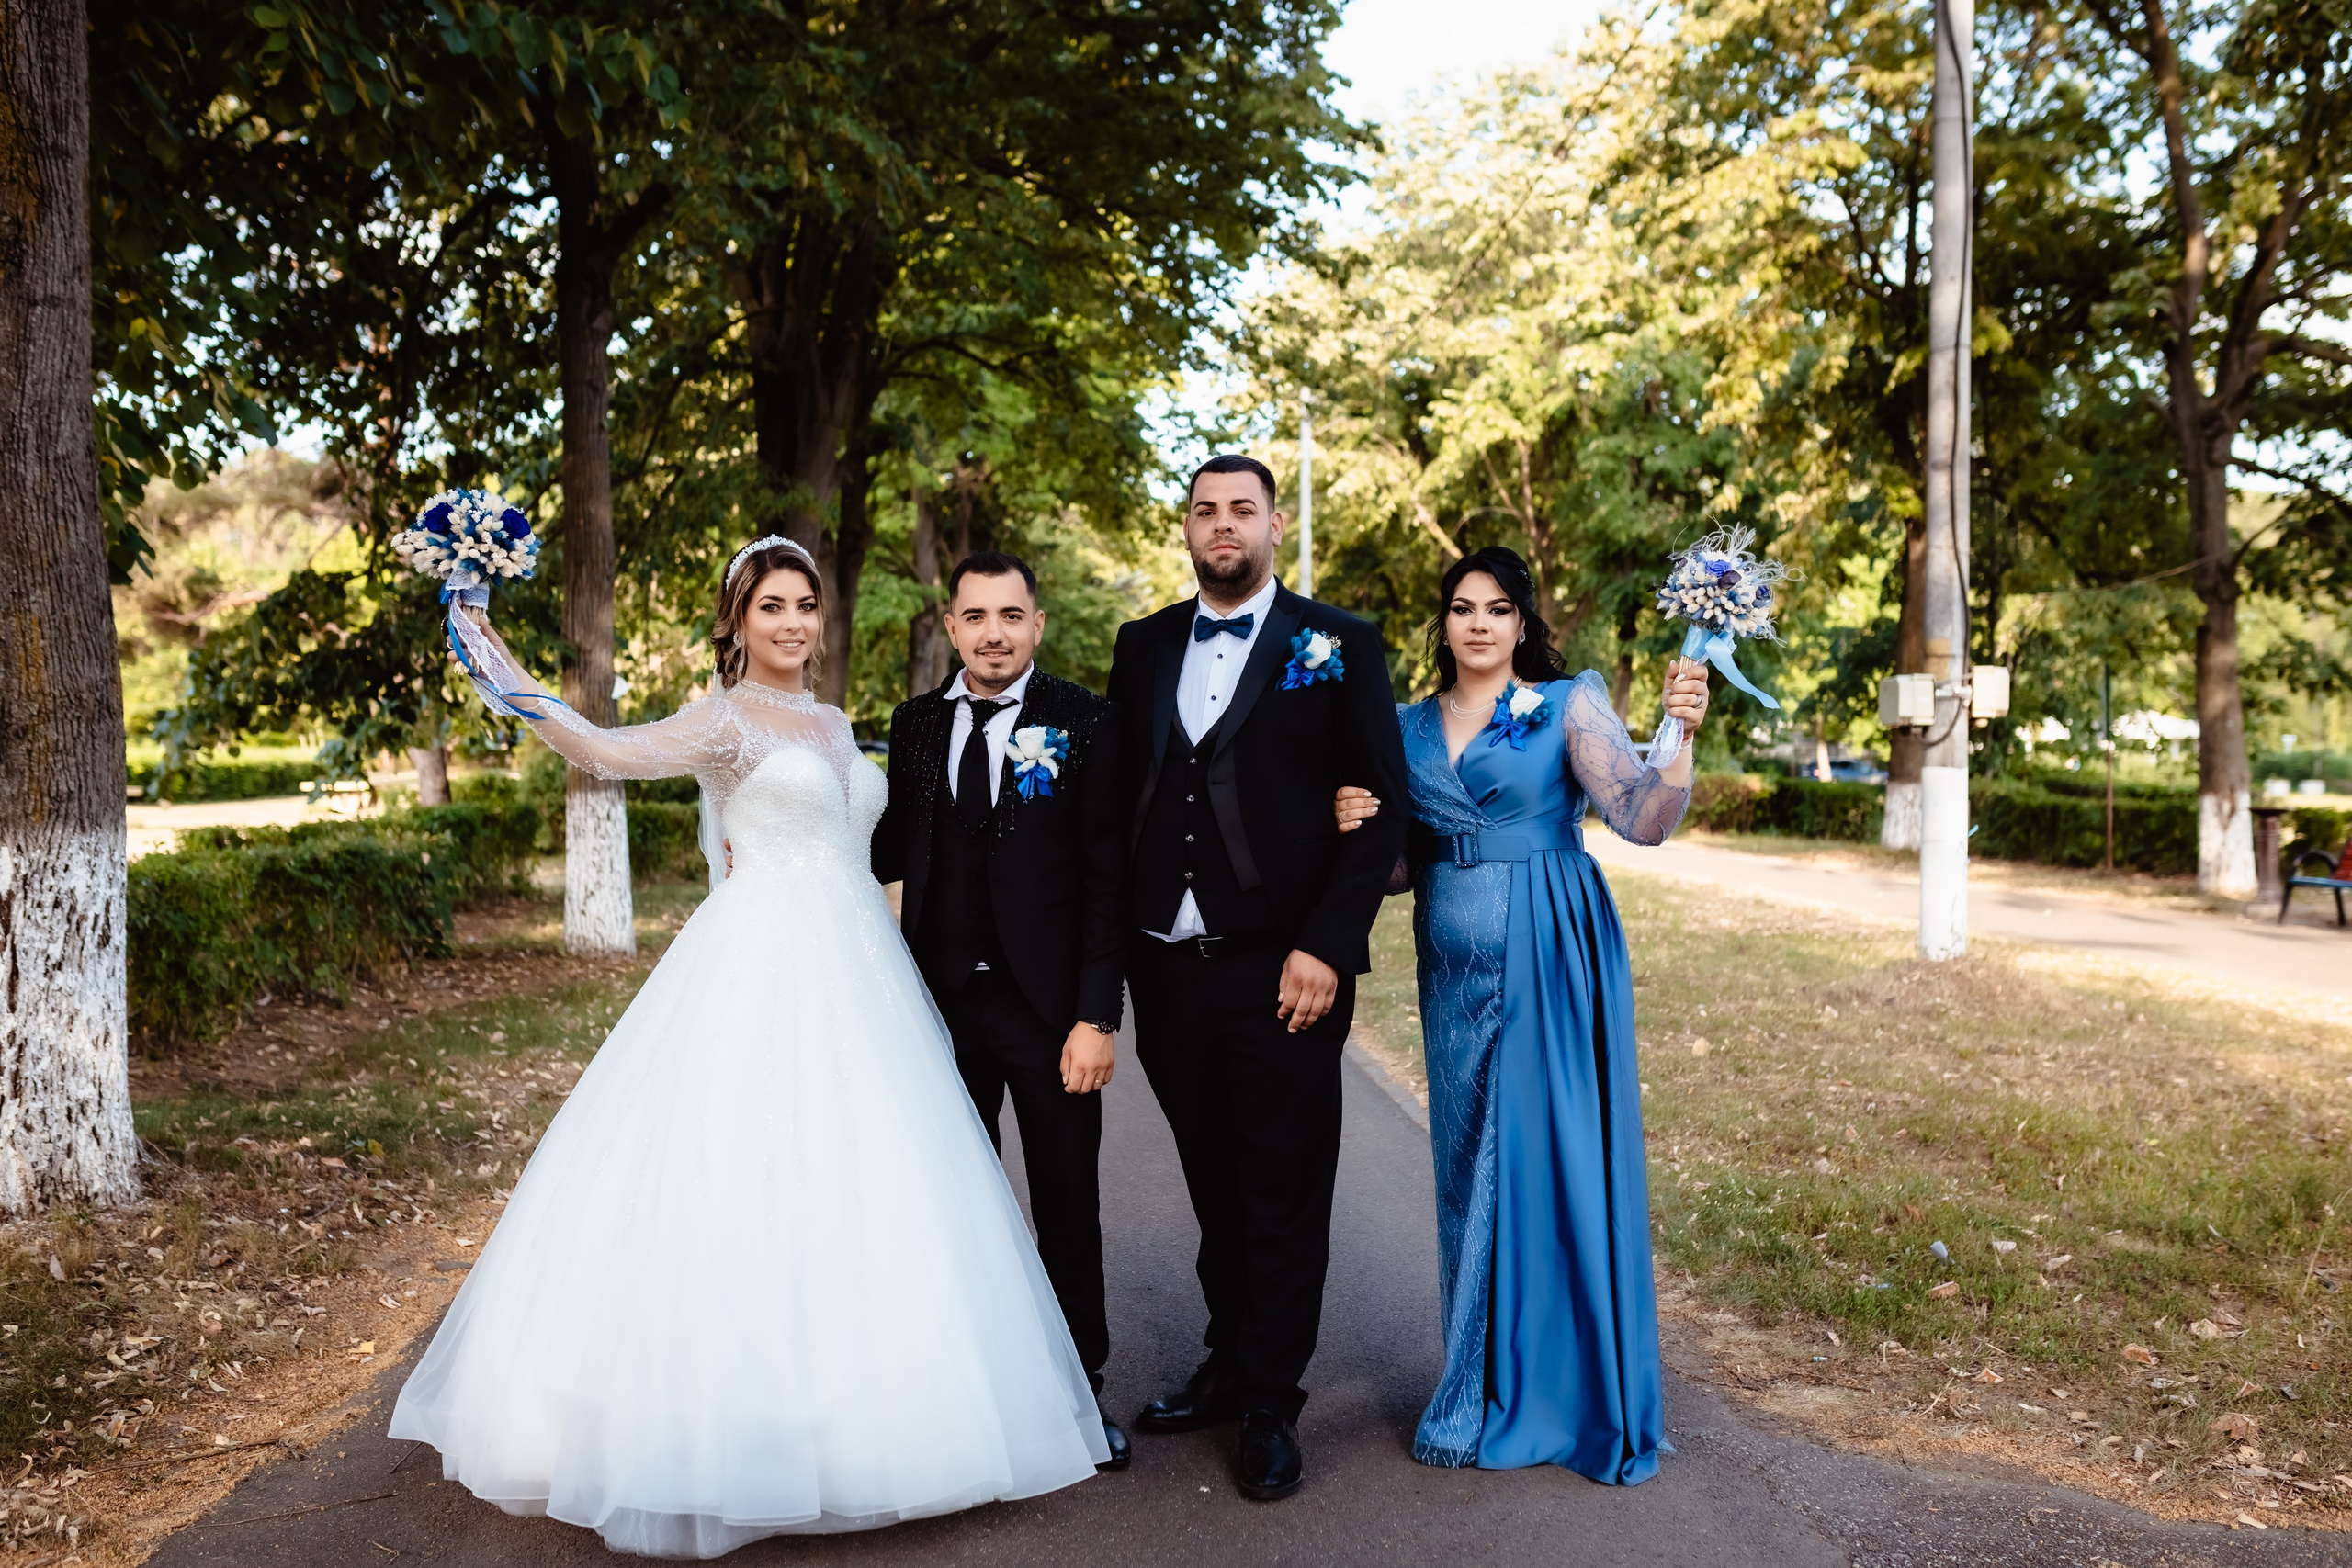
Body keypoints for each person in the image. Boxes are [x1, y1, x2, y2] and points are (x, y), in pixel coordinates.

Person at [388, 536, 1108, 1558]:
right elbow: (604, 751)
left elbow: (890, 837)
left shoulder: (833, 720)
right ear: (737, 623)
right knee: (747, 1176)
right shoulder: (719, 721)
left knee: (882, 1190)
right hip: (761, 962)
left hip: (864, 970)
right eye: (771, 606)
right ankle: (737, 1430)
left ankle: (882, 1420)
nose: (792, 623)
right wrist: (503, 675)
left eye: (805, 604)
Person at [1336, 545, 1708, 1483]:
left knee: (1546, 1159)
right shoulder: (1407, 726)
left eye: (1497, 610)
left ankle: (1526, 1392)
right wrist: (1344, 822)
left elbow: (1641, 818)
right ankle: (1482, 1372)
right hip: (1450, 966)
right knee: (1465, 1164)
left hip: (1552, 947)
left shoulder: (1566, 703)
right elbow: (1394, 868)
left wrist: (1681, 732)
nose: (1477, 625)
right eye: (1461, 608)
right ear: (1444, 621)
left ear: (1521, 622)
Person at [1106, 455, 1410, 1501]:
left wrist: (1326, 945)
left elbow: (1382, 807)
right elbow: (1122, 800)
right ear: (1185, 528)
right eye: (1205, 510)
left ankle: (1272, 1403)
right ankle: (1228, 1364)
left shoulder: (1337, 644)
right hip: (1168, 968)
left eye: (1242, 508)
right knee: (1214, 1187)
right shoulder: (1141, 645)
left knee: (1281, 1189)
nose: (1222, 525)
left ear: (1273, 524)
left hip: (1285, 970)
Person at [868, 549, 1131, 1470]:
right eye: (975, 617)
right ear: (950, 626)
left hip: (1050, 1015)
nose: (993, 634)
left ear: (1037, 624)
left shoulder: (1087, 723)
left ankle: (1079, 1395)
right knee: (950, 1209)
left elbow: (1109, 882)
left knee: (1066, 1206)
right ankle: (965, 1397)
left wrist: (1098, 1014)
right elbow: (887, 847)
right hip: (935, 1012)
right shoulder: (911, 725)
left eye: (1010, 616)